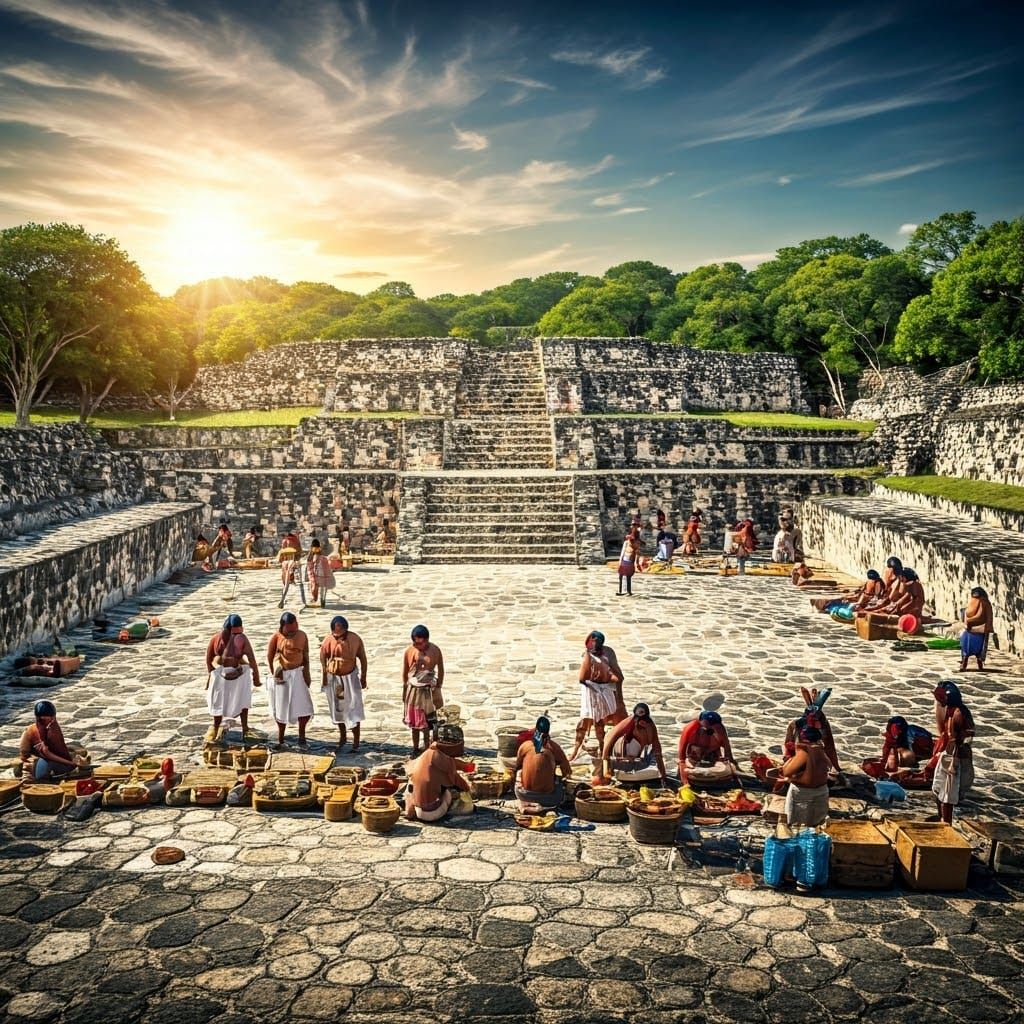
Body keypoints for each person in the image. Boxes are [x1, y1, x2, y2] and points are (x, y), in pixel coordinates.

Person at [568, 631, 624, 763]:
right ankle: (576, 749)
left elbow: (618, 677)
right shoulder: (588, 655)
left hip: (602, 690)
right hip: (591, 690)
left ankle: (603, 748)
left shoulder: (607, 653)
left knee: (600, 722)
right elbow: (583, 678)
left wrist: (618, 696)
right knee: (585, 719)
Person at [204, 613, 261, 743]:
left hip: (238, 674)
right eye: (233, 633)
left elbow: (251, 659)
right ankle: (216, 725)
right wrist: (212, 674)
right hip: (221, 676)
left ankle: (245, 727)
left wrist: (256, 676)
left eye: (238, 633)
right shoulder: (216, 640)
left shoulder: (242, 640)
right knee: (217, 701)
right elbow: (209, 659)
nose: (235, 636)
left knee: (242, 699)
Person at [266, 612, 313, 749]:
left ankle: (302, 737)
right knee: (281, 709)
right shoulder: (276, 637)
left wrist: (307, 674)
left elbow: (306, 656)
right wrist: (274, 672)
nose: (293, 631)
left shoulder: (302, 636)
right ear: (283, 626)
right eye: (290, 629)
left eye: (295, 627)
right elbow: (270, 655)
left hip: (298, 674)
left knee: (304, 707)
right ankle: (281, 738)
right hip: (282, 677)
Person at [320, 615, 367, 750]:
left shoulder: (354, 639)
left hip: (350, 678)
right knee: (338, 708)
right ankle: (342, 736)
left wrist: (364, 676)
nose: (337, 634)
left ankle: (356, 741)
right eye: (335, 631)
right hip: (335, 680)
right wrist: (324, 675)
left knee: (354, 707)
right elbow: (323, 657)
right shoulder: (328, 640)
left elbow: (362, 658)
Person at [931, 680, 975, 823]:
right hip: (948, 753)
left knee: (947, 794)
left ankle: (946, 823)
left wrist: (954, 762)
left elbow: (964, 740)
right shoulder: (951, 711)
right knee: (938, 788)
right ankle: (941, 817)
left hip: (955, 757)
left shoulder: (959, 714)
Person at [600, 703, 668, 785]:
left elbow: (658, 752)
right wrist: (606, 770)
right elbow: (608, 738)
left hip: (637, 758)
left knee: (653, 756)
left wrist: (663, 777)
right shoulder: (628, 723)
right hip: (620, 755)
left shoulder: (651, 726)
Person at [402, 624, 444, 756]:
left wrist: (438, 686)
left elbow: (441, 669)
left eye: (421, 643)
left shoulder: (435, 650)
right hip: (414, 691)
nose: (418, 646)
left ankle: (427, 748)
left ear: (426, 640)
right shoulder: (410, 651)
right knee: (415, 723)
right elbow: (405, 672)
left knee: (427, 723)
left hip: (428, 692)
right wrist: (405, 690)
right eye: (416, 643)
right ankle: (415, 748)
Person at [404, 741, 472, 822]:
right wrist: (468, 789)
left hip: (418, 811)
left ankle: (409, 812)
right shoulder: (443, 760)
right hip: (433, 813)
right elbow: (458, 779)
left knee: (412, 786)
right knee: (448, 792)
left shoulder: (425, 755)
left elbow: (456, 764)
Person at [515, 716, 573, 809]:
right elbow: (567, 772)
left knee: (519, 773)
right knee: (560, 784)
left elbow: (517, 767)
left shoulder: (525, 746)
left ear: (535, 730)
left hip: (523, 795)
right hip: (549, 798)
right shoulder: (555, 748)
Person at [781, 725, 831, 830]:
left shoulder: (804, 751)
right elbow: (828, 767)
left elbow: (787, 771)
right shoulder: (821, 750)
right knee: (816, 825)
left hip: (803, 794)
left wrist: (789, 759)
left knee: (797, 827)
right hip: (821, 791)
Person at [19, 701, 86, 781]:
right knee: (44, 774)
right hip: (39, 760)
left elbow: (58, 747)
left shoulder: (52, 727)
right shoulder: (34, 731)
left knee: (75, 760)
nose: (49, 721)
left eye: (50, 718)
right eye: (43, 719)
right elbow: (47, 754)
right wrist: (71, 763)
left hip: (49, 757)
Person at [782, 688, 841, 776]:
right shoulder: (795, 726)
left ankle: (813, 706)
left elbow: (829, 748)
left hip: (811, 766)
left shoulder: (811, 751)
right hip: (803, 755)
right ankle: (813, 706)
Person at [676, 711, 737, 783]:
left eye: (713, 726)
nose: (710, 728)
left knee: (724, 771)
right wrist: (684, 778)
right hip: (694, 756)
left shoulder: (719, 729)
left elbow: (727, 749)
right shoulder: (691, 728)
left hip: (712, 755)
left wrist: (731, 764)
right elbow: (681, 756)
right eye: (708, 726)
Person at [960, 586, 994, 671]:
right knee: (965, 646)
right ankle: (964, 662)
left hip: (980, 629)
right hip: (970, 630)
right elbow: (969, 613)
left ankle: (978, 664)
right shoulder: (974, 602)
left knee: (979, 649)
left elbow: (980, 616)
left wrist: (970, 622)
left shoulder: (984, 603)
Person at [306, 537, 336, 608]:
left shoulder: (323, 557)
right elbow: (309, 567)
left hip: (323, 575)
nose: (316, 549)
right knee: (314, 588)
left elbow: (327, 565)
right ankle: (316, 598)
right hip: (315, 575)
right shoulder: (310, 557)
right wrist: (310, 575)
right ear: (312, 548)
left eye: (317, 548)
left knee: (323, 588)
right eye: (314, 548)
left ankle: (323, 601)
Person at [618, 527, 641, 595]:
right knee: (621, 576)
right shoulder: (626, 543)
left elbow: (637, 553)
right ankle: (621, 590)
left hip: (630, 562)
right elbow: (623, 551)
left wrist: (636, 563)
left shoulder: (636, 543)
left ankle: (628, 591)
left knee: (628, 576)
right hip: (624, 561)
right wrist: (620, 560)